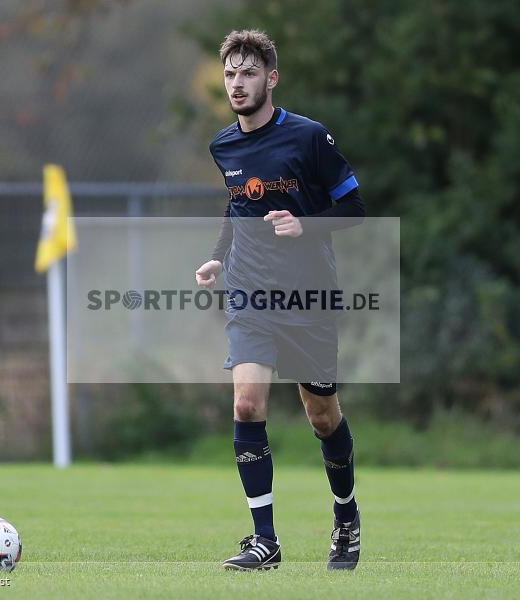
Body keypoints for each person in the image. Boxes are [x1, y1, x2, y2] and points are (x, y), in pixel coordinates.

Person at [195, 29, 365, 571]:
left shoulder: (310, 138)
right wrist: (220, 256)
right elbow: (235, 209)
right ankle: (264, 540)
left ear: (270, 78)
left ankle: (345, 513)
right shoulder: (223, 146)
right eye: (229, 74)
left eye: (247, 73)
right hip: (249, 295)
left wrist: (304, 225)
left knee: (321, 415)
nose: (236, 84)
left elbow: (355, 209)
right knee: (246, 403)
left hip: (310, 297)